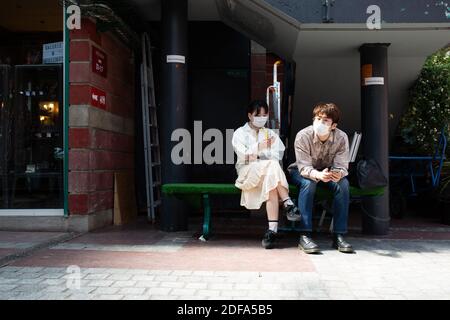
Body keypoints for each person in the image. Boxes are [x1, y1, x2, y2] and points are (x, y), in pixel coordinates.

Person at [232, 100, 300, 249]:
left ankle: (272, 230)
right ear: (250, 115)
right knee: (272, 166)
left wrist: (256, 153)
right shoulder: (239, 133)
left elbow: (277, 155)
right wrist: (261, 147)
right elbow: (244, 156)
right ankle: (288, 202)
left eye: (265, 114)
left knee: (272, 179)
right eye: (258, 115)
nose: (262, 118)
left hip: (268, 173)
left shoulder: (269, 133)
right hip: (247, 171)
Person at [288, 102, 354, 254]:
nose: (320, 123)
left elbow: (342, 165)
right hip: (301, 171)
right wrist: (318, 175)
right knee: (308, 184)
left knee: (343, 185)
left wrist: (337, 173)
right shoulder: (303, 135)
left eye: (325, 120)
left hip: (328, 171)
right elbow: (304, 167)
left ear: (333, 125)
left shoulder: (341, 137)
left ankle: (339, 235)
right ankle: (305, 235)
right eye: (318, 119)